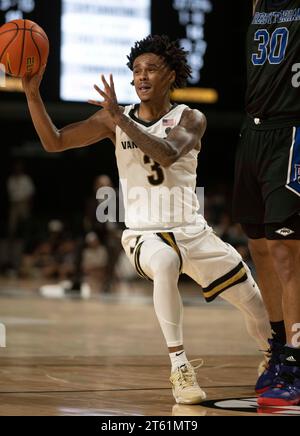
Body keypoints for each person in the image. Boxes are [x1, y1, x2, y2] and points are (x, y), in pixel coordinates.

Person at [22, 34, 271, 405]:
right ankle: (179, 366)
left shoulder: (190, 117)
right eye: (136, 70)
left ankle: (272, 358)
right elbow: (55, 141)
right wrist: (31, 93)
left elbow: (168, 153)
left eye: (151, 69)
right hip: (144, 235)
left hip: (194, 233)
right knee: (166, 262)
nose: (141, 76)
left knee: (255, 304)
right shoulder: (114, 117)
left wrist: (120, 119)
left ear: (171, 75)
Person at [233, 0, 300, 406]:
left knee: (287, 253)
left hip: (292, 129)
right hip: (253, 132)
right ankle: (278, 350)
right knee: (259, 247)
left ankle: (295, 360)